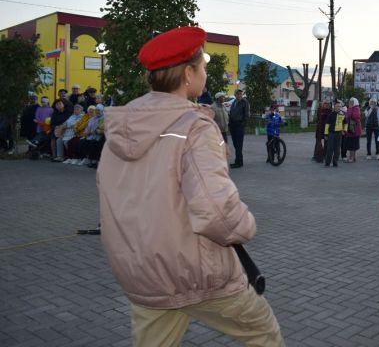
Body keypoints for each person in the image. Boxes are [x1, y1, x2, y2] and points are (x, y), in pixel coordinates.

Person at [97, 26, 284, 346]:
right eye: (204, 66)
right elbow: (216, 211)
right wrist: (246, 225)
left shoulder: (124, 125)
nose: (206, 74)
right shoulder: (194, 127)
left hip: (143, 271)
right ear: (187, 74)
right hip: (194, 271)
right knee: (263, 332)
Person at [228, 88, 250, 168]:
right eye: (237, 94)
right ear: (235, 95)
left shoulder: (244, 102)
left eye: (240, 94)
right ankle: (238, 160)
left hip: (239, 125)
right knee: (235, 144)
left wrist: (243, 124)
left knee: (239, 144)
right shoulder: (234, 102)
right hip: (233, 125)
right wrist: (230, 123)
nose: (239, 95)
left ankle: (239, 162)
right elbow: (231, 113)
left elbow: (247, 114)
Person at [323, 100, 346, 167]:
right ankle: (327, 162)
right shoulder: (330, 115)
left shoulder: (342, 115)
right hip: (331, 134)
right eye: (337, 106)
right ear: (334, 107)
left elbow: (346, 123)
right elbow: (327, 125)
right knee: (330, 148)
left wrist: (344, 131)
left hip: (339, 134)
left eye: (339, 106)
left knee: (337, 149)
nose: (338, 107)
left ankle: (335, 162)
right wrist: (326, 134)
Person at [344, 97, 362, 163]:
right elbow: (347, 116)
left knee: (353, 145)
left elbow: (355, 116)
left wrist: (350, 108)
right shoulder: (350, 108)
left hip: (354, 130)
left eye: (351, 102)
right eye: (349, 102)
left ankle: (351, 157)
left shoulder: (356, 108)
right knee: (352, 144)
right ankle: (353, 157)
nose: (350, 103)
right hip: (351, 129)